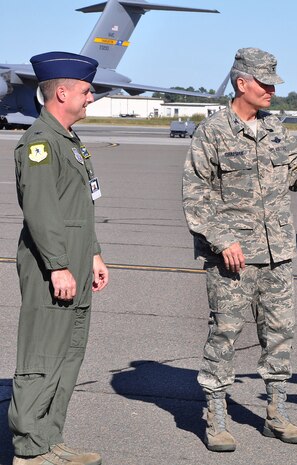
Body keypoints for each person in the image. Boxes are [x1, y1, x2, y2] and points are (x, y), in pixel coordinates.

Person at [182, 47, 297, 452]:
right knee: (224, 333)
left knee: (279, 335)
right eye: (265, 83)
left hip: (277, 255)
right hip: (233, 259)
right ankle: (216, 416)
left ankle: (276, 411)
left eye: (274, 83)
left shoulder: (276, 129)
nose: (272, 90)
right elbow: (196, 195)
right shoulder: (214, 132)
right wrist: (224, 241)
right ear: (242, 83)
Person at [9, 51, 109, 465]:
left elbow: (77, 207)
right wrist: (58, 265)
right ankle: (30, 449)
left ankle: (49, 439)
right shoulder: (39, 143)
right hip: (54, 267)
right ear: (62, 92)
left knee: (69, 353)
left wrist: (96, 254)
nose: (90, 98)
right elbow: (42, 210)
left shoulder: (68, 140)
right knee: (43, 356)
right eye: (86, 92)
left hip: (75, 262)